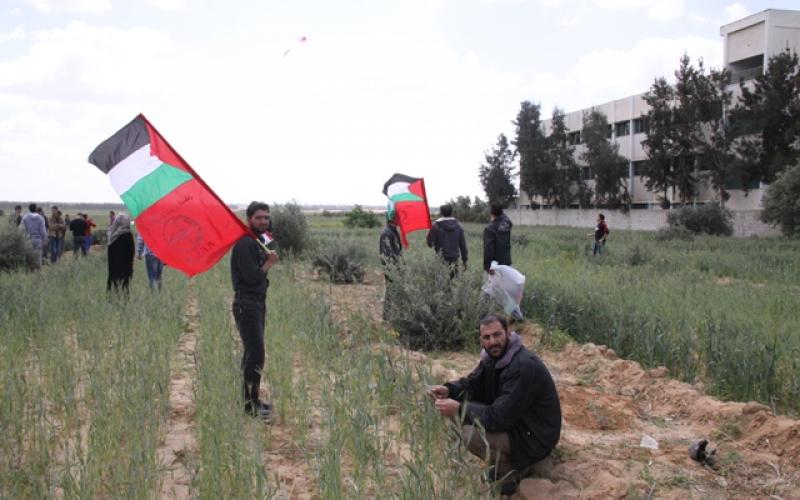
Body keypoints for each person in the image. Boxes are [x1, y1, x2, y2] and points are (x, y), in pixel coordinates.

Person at [428, 314, 561, 495]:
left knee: (470, 434)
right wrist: (449, 391)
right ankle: (509, 462)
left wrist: (460, 409)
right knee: (460, 409)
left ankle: (512, 472)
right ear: (481, 340)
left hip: (536, 436)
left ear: (508, 333)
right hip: (520, 424)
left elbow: (499, 418)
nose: (493, 341)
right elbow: (473, 384)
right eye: (487, 337)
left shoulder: (522, 366)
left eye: (497, 335)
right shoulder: (493, 358)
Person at [231, 201, 279, 419]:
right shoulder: (245, 245)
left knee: (252, 354)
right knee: (256, 355)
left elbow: (270, 237)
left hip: (256, 304)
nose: (263, 221)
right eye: (259, 217)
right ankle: (251, 406)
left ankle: (251, 401)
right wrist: (269, 263)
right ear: (249, 219)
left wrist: (267, 242)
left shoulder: (256, 242)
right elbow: (251, 277)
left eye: (266, 217)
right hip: (247, 304)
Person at [426, 204, 468, 272]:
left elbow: (429, 243)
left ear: (441, 213)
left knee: (442, 280)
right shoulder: (458, 226)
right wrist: (465, 261)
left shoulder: (436, 226)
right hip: (455, 259)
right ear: (451, 212)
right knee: (454, 280)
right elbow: (463, 245)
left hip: (440, 258)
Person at [379, 215, 402, 319]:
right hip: (391, 266)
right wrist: (394, 267)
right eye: (398, 218)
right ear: (393, 219)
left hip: (395, 265)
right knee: (391, 289)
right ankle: (387, 315)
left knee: (394, 289)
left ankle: (394, 314)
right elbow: (387, 253)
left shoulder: (392, 231)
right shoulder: (387, 233)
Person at [106, 213, 135, 296]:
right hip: (126, 268)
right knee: (124, 288)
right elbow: (131, 252)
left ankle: (112, 300)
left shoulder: (112, 235)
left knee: (113, 286)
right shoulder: (128, 235)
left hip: (114, 268)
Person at [483, 204, 513, 274]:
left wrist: (487, 267)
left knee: (493, 285)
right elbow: (507, 219)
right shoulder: (507, 224)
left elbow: (488, 249)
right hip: (507, 263)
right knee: (505, 284)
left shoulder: (489, 229)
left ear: (491, 213)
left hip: (495, 266)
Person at [20, 203, 47, 268]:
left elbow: (21, 229)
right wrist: (45, 239)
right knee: (38, 256)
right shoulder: (41, 218)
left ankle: (29, 270)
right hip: (38, 240)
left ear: (29, 209)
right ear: (36, 209)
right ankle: (37, 272)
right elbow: (43, 231)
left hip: (27, 239)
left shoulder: (25, 217)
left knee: (28, 255)